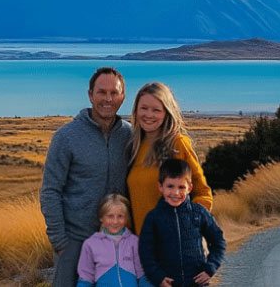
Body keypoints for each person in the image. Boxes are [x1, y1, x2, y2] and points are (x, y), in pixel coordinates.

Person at [40, 67, 133, 287]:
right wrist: (61, 242)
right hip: (74, 242)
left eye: (114, 93)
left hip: (116, 241)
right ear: (90, 94)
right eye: (102, 92)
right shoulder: (66, 137)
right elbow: (50, 191)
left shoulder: (130, 136)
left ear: (123, 97)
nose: (108, 99)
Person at [126, 82, 212, 235]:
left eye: (156, 110)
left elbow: (203, 192)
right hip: (142, 248)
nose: (149, 115)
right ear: (136, 110)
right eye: (144, 108)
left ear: (167, 112)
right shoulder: (134, 146)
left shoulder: (178, 144)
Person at [138, 159, 226, 287]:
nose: (175, 193)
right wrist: (158, 277)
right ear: (160, 187)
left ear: (189, 188)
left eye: (181, 187)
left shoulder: (199, 213)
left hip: (197, 283)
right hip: (169, 283)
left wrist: (210, 268)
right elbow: (146, 252)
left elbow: (219, 242)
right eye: (170, 186)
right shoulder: (153, 218)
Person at [76, 194, 151, 287]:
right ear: (101, 218)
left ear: (126, 218)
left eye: (120, 216)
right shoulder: (90, 244)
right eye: (110, 216)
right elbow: (85, 279)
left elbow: (143, 276)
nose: (115, 221)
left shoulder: (134, 242)